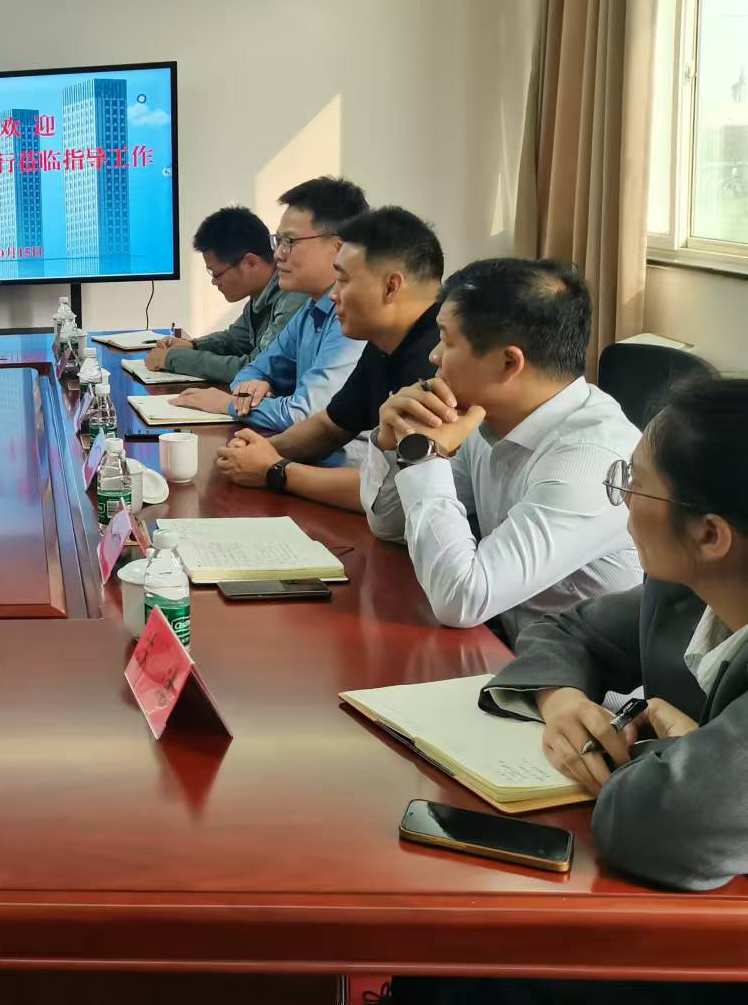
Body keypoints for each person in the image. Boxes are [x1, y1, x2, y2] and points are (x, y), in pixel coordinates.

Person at [392, 378, 741, 1005]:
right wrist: (561, 701)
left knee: (472, 971)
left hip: (719, 947)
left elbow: (659, 828)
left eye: (634, 485)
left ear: (710, 535)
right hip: (680, 903)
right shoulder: (685, 588)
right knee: (446, 941)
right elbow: (565, 629)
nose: (621, 502)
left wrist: (664, 752)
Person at [364, 258, 642, 639]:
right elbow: (390, 525)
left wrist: (424, 456)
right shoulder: (482, 417)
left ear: (509, 362)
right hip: (507, 650)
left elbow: (463, 599)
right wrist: (391, 441)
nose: (434, 356)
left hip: (581, 674)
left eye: (447, 340)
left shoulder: (590, 460)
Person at [215, 206, 443, 512]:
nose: (333, 295)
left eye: (344, 281)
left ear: (391, 287)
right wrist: (259, 449)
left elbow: (394, 493)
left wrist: (275, 470)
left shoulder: (439, 359)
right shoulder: (382, 344)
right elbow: (330, 426)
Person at [175, 176, 369, 433]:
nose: (278, 254)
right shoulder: (311, 309)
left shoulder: (355, 318)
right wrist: (252, 388)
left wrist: (228, 404)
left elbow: (305, 414)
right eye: (278, 241)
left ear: (338, 247)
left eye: (290, 242)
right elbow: (254, 369)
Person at [143, 206, 306, 384]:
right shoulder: (260, 296)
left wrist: (172, 359)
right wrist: (193, 345)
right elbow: (234, 340)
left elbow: (257, 369)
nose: (214, 282)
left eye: (217, 274)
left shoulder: (294, 296)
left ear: (251, 262)